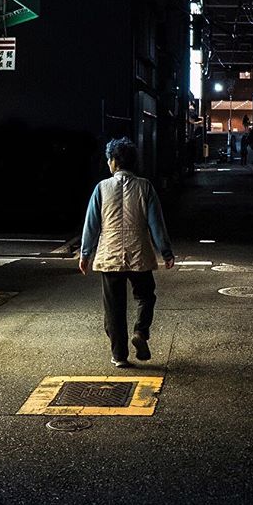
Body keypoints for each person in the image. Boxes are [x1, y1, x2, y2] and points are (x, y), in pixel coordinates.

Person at [79, 137, 175, 368]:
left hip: (109, 255)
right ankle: (140, 331)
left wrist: (85, 254)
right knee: (145, 295)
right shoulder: (145, 187)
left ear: (113, 161)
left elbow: (91, 224)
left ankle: (119, 355)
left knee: (114, 307)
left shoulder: (101, 188)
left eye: (109, 160)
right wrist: (166, 251)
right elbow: (156, 223)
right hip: (139, 253)